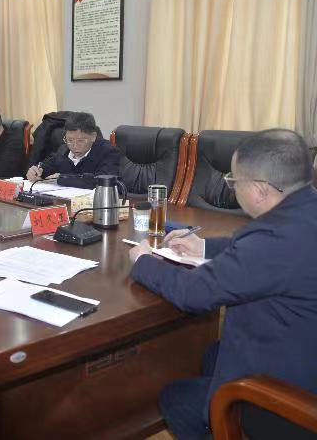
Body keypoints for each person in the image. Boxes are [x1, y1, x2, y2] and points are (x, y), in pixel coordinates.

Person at [128, 129, 317, 440]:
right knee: (212, 356)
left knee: (176, 397)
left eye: (234, 181)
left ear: (259, 190)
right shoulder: (304, 210)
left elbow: (194, 293)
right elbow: (262, 253)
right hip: (303, 350)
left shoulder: (274, 238)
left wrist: (143, 261)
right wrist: (203, 247)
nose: (232, 188)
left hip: (292, 403)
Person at [26, 112, 120, 189]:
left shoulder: (108, 152)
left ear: (93, 136)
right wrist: (36, 171)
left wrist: (61, 179)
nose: (74, 146)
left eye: (80, 141)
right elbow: (45, 167)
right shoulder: (63, 150)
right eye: (70, 140)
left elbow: (102, 182)